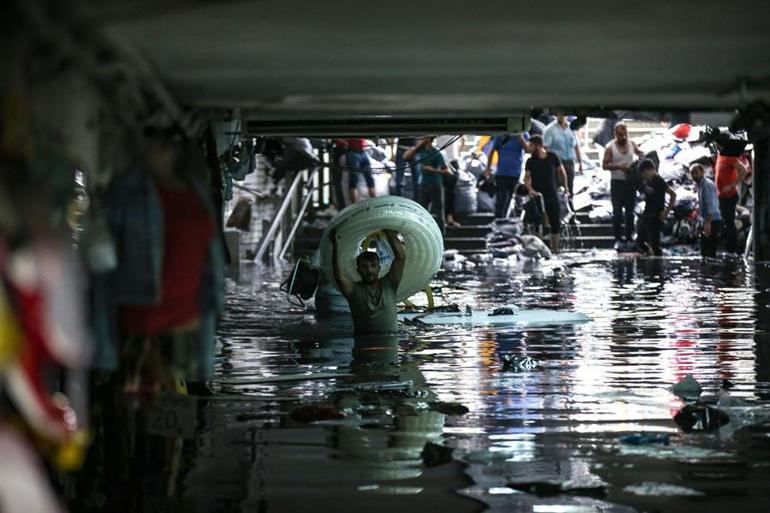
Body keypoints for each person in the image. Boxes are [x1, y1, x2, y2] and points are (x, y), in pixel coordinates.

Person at [329, 228, 405, 336]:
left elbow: (400, 258)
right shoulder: (353, 291)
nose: (369, 271)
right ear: (358, 270)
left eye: (373, 266)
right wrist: (336, 244)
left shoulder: (390, 284)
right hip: (363, 345)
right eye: (364, 267)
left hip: (390, 344)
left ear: (379, 268)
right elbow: (339, 277)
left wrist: (388, 230)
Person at [602, 122, 645, 251]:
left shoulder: (631, 144)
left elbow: (640, 154)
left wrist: (640, 162)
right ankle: (618, 239)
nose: (623, 137)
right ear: (615, 134)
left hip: (630, 182)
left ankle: (629, 238)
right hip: (617, 182)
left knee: (630, 212)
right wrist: (619, 167)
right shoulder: (610, 148)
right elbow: (604, 166)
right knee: (617, 212)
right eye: (620, 134)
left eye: (625, 134)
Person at [523, 135, 569, 253]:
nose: (529, 148)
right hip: (538, 196)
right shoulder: (530, 161)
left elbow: (561, 172)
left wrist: (566, 187)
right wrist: (530, 189)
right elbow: (526, 178)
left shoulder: (552, 157)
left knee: (555, 223)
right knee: (538, 223)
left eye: (531, 146)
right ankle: (539, 250)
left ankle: (555, 250)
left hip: (552, 194)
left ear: (538, 145)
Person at [403, 137, 453, 228]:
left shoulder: (437, 153)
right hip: (423, 185)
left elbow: (447, 172)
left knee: (439, 214)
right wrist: (418, 146)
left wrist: (433, 170)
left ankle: (441, 234)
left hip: (436, 184)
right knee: (422, 213)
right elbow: (405, 157)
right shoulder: (420, 151)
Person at [483, 131, 530, 218]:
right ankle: (498, 220)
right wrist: (488, 168)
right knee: (501, 199)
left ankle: (507, 221)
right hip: (502, 172)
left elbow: (528, 149)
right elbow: (492, 151)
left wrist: (520, 137)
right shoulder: (501, 134)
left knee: (511, 199)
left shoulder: (524, 134)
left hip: (516, 173)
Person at [635, 160, 676, 256]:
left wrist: (667, 211)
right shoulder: (648, 181)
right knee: (640, 242)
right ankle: (649, 258)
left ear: (650, 170)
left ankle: (657, 266)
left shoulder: (659, 181)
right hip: (646, 214)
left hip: (656, 216)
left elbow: (673, 194)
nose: (643, 176)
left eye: (644, 173)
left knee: (655, 244)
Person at [714, 151, 748, 254]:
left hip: (729, 196)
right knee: (726, 222)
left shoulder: (730, 157)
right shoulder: (721, 156)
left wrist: (732, 185)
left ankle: (731, 250)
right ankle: (728, 248)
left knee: (729, 224)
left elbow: (744, 171)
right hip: (722, 196)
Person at [543, 112, 583, 197]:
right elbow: (545, 149)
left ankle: (570, 206)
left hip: (570, 162)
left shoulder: (572, 128)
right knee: (558, 187)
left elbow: (576, 146)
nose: (562, 116)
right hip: (557, 163)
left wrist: (580, 163)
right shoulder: (550, 130)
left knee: (570, 186)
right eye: (559, 114)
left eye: (564, 114)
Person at [690, 163, 723, 258]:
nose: (694, 175)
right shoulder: (700, 186)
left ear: (702, 172)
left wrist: (708, 223)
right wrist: (701, 223)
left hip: (713, 221)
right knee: (705, 250)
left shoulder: (707, 185)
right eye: (692, 173)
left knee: (709, 251)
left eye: (696, 172)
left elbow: (711, 205)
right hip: (708, 220)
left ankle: (712, 271)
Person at [344, 138, 376, 203]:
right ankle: (355, 207)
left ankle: (375, 203)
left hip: (362, 151)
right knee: (354, 180)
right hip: (353, 151)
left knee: (370, 179)